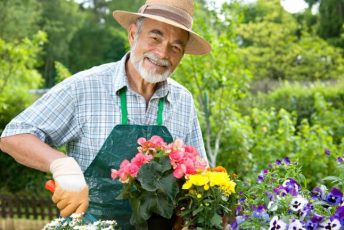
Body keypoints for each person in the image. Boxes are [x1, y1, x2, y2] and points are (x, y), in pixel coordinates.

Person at [0, 0, 211, 229]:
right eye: (155, 37)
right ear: (133, 35)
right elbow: (14, 135)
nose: (162, 53)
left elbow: (200, 174)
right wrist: (62, 165)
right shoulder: (85, 87)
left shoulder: (183, 101)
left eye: (176, 47)